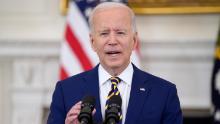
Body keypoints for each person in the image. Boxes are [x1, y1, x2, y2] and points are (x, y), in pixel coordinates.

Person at [47, 2, 183, 124]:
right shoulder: (66, 91)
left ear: (134, 41)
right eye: (104, 33)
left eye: (120, 32)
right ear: (93, 42)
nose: (112, 41)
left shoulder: (164, 93)